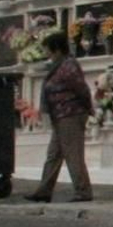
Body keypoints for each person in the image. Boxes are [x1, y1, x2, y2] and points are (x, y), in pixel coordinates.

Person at [24, 32, 94, 203]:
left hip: (70, 114)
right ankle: (44, 191)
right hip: (60, 116)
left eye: (48, 50)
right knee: (54, 155)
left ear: (57, 50)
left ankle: (83, 191)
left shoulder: (68, 66)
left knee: (73, 154)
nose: (46, 54)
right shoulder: (58, 66)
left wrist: (87, 109)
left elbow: (81, 89)